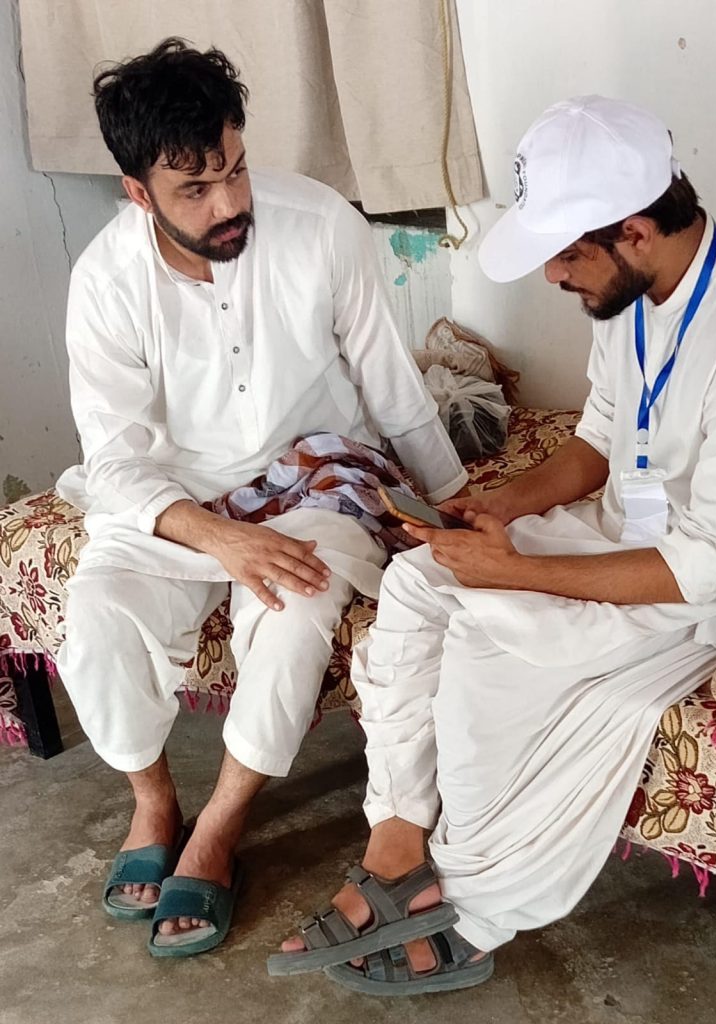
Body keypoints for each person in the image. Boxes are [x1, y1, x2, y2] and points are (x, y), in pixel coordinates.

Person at [270, 95, 716, 994]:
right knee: (417, 583)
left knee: (490, 639)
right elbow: (600, 438)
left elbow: (711, 561)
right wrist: (497, 507)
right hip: (628, 530)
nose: (552, 276)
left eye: (567, 254)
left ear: (636, 230)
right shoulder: (634, 292)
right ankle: (397, 839)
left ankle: (473, 910)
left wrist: (520, 572)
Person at [53, 37, 466, 957]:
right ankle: (154, 804)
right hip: (173, 496)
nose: (230, 202)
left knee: (293, 606)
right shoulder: (105, 281)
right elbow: (114, 456)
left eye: (235, 170)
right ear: (137, 193)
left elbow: (390, 382)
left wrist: (455, 505)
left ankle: (220, 827)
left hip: (312, 473)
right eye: (195, 190)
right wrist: (214, 536)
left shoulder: (320, 223)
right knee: (97, 613)